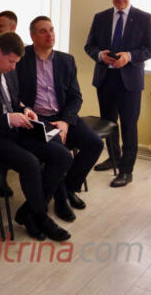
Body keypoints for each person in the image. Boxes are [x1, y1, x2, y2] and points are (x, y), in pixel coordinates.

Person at [0, 32, 73, 242]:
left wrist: (25, 110)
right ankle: (40, 216)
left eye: (16, 63)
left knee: (63, 156)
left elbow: (14, 102)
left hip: (13, 130)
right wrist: (7, 119)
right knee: (30, 163)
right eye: (11, 62)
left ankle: (28, 212)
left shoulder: (9, 72)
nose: (13, 67)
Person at [16, 16, 104, 222]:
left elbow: (76, 97)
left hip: (63, 115)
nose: (50, 35)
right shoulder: (21, 59)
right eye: (43, 31)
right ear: (32, 36)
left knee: (95, 144)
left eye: (52, 29)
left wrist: (65, 121)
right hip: (37, 117)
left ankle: (68, 187)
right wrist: (26, 111)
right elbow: (14, 95)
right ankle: (61, 200)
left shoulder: (66, 60)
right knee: (60, 151)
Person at [85, 0, 151, 187]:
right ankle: (114, 158)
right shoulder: (100, 18)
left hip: (130, 83)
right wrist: (100, 55)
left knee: (128, 126)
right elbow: (89, 46)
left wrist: (130, 56)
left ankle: (126, 170)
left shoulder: (144, 18)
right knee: (109, 124)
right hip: (105, 79)